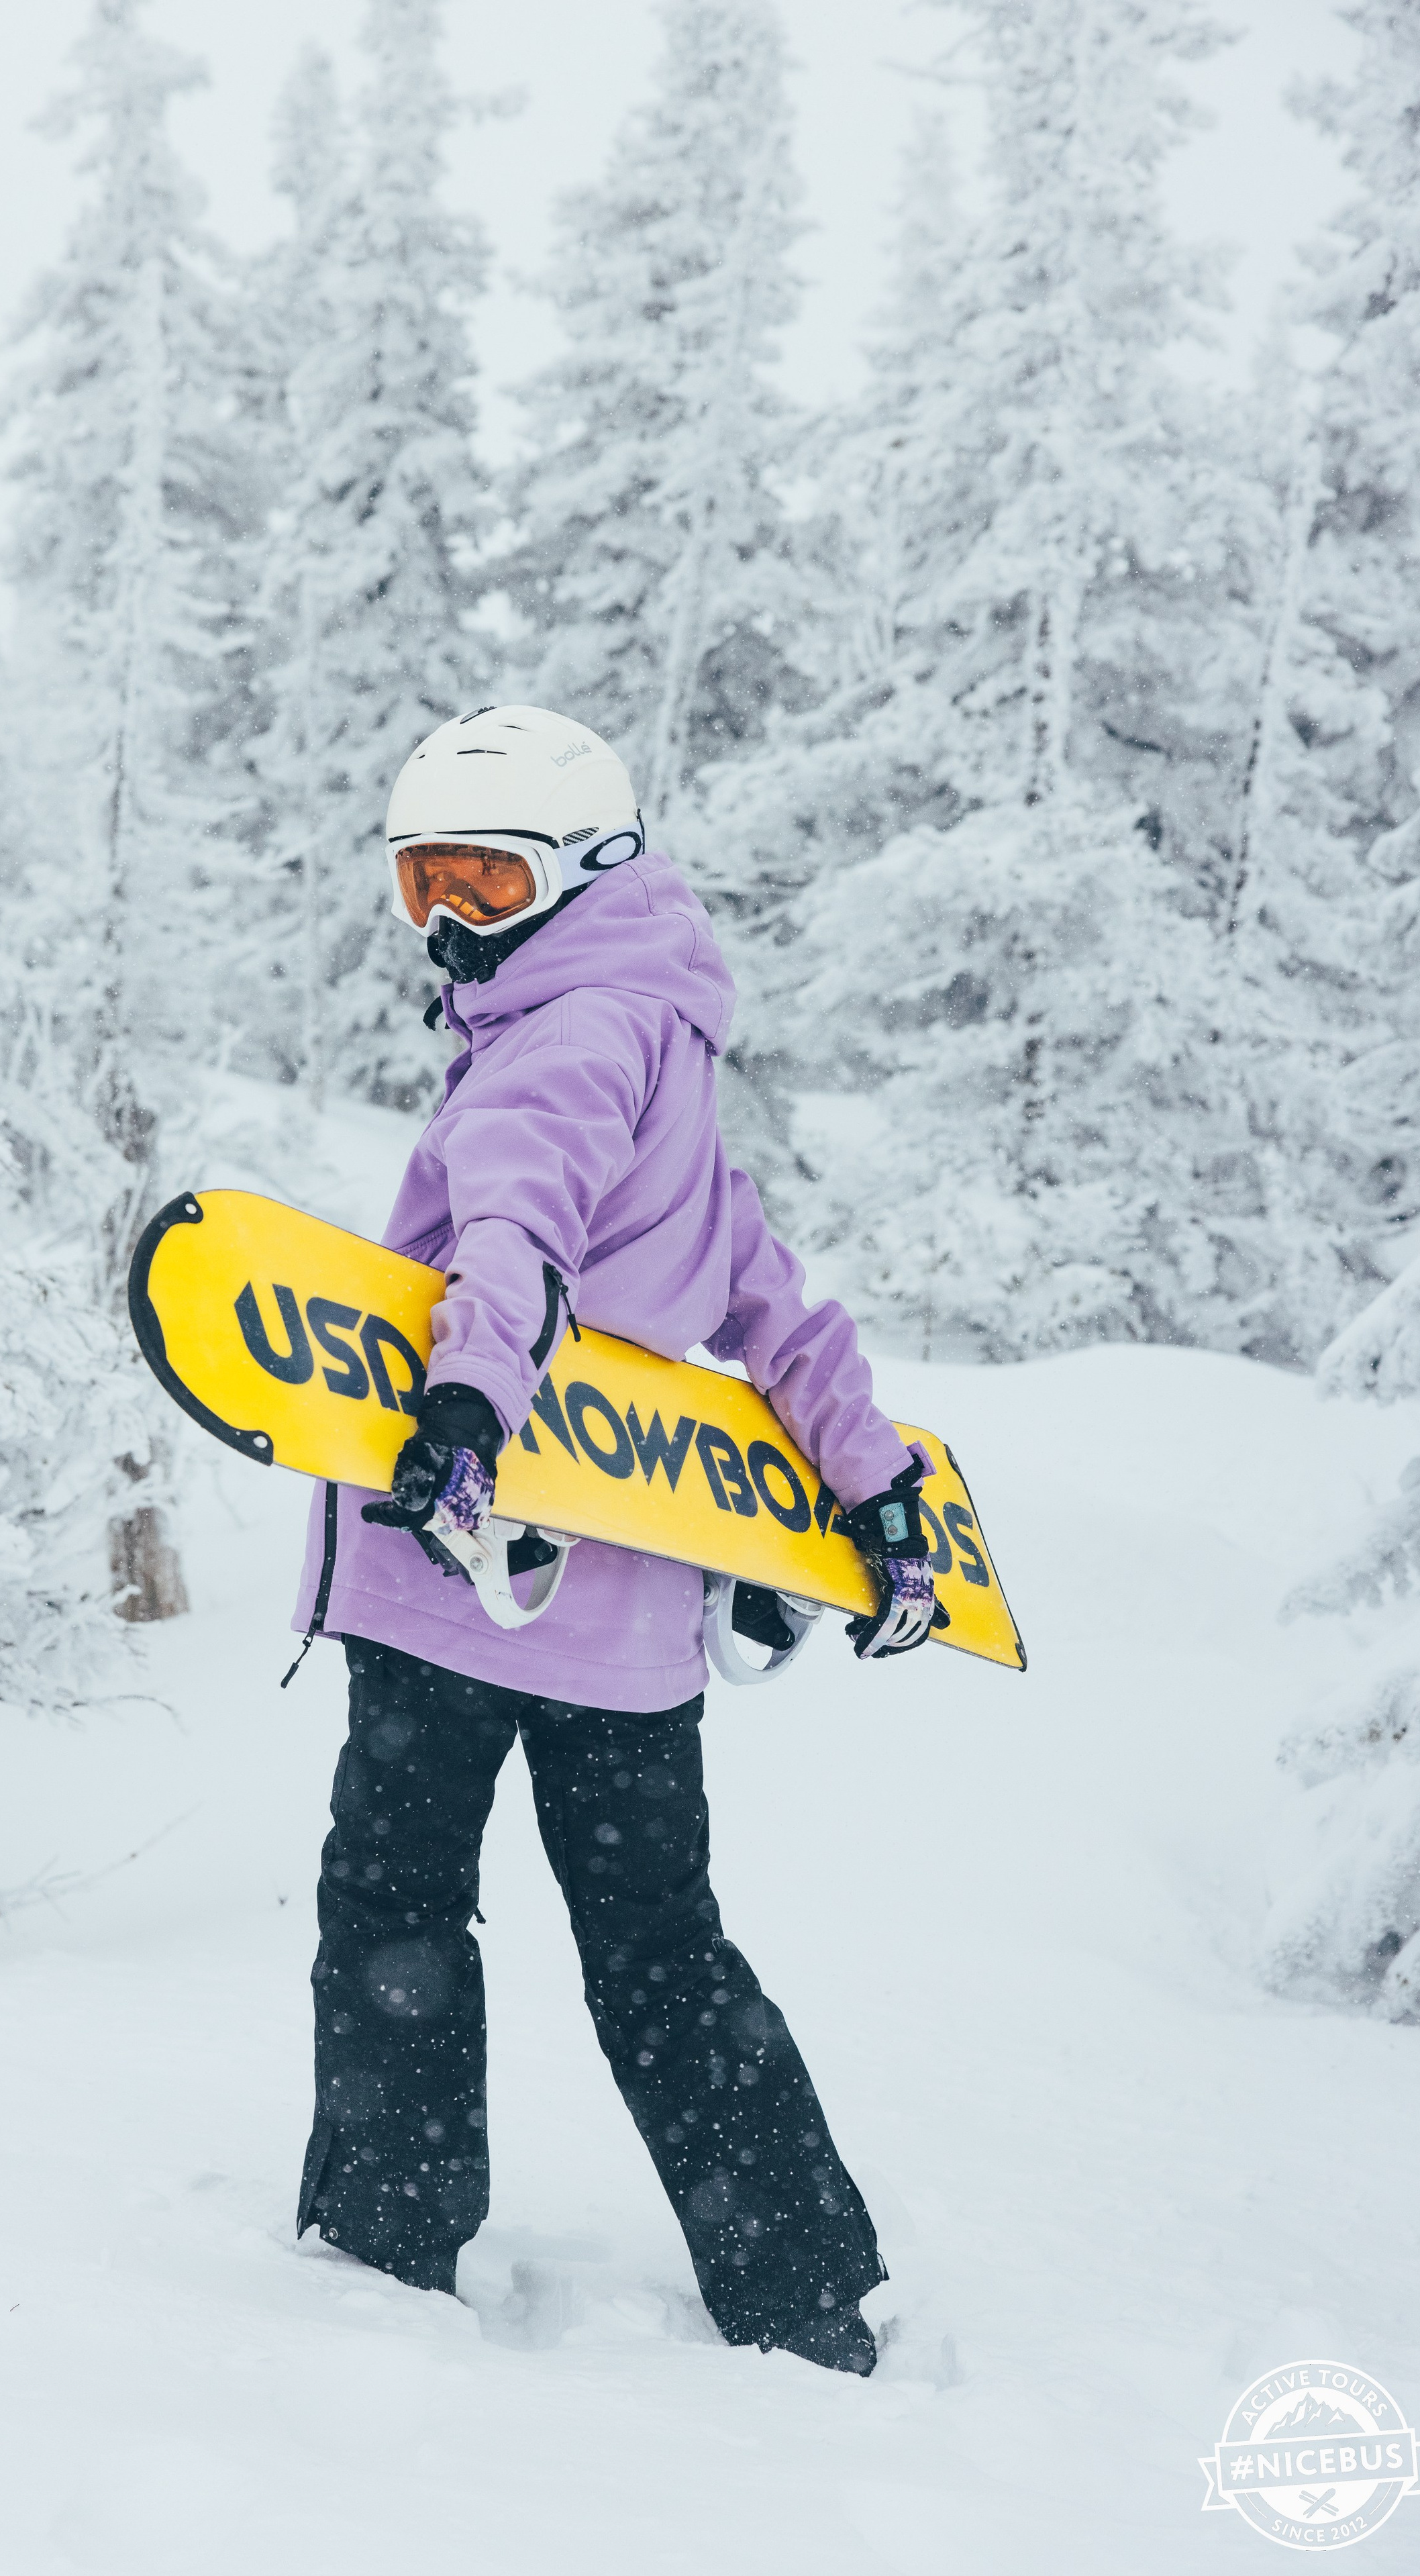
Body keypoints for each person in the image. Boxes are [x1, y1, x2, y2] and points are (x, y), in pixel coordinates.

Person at [288, 705, 940, 2376]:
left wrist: (461, 1407)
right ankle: (801, 2282)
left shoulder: (556, 1045)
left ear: (579, 870)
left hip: (455, 1588)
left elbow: (511, 1230)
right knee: (659, 1943)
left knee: (395, 1911)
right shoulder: (666, 1051)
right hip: (627, 1633)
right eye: (418, 878)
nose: (446, 917)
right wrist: (872, 1483)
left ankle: (379, 2248)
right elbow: (771, 1303)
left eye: (480, 874)